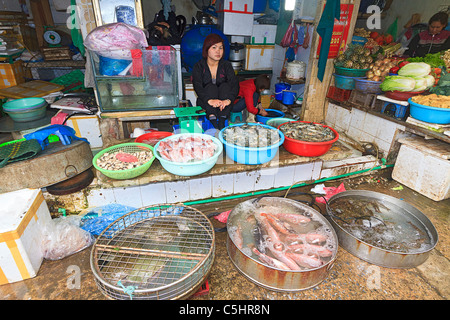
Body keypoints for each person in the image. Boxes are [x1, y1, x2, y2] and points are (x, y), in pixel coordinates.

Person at [192, 33, 239, 129]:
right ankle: (212, 119)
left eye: (221, 48)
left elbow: (235, 85)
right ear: (207, 49)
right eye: (214, 47)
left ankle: (222, 120)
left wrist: (228, 100)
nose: (218, 51)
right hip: (206, 102)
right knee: (211, 87)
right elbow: (198, 87)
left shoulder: (226, 65)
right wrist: (210, 101)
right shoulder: (199, 66)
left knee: (225, 86)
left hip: (223, 103)